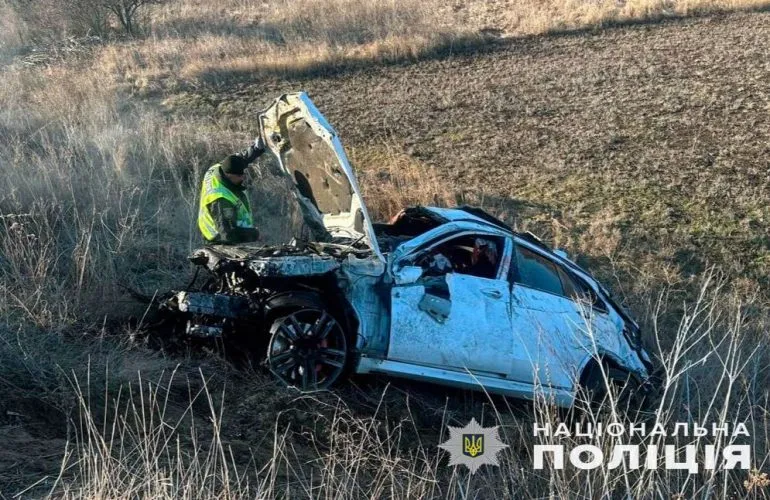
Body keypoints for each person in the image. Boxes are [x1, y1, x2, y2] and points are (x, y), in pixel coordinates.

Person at [197, 141, 264, 244]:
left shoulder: (218, 168)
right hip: (218, 241)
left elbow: (238, 159)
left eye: (243, 174)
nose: (242, 178)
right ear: (228, 175)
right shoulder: (221, 199)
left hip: (226, 232)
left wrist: (256, 149)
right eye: (239, 176)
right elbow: (228, 234)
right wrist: (254, 234)